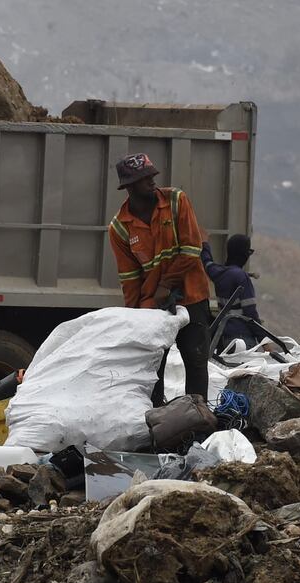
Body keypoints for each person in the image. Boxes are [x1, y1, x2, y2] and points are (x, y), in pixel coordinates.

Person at [108, 153, 210, 406]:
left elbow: (191, 249)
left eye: (152, 176)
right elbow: (130, 278)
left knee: (195, 361)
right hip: (151, 307)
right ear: (129, 187)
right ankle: (156, 421)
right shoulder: (120, 227)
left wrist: (165, 284)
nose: (152, 182)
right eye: (144, 179)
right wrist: (133, 317)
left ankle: (197, 423)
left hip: (191, 295)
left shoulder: (176, 201)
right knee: (152, 369)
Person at [201, 234, 263, 350]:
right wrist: (265, 342)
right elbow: (251, 315)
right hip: (243, 340)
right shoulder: (241, 277)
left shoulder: (217, 273)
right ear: (244, 254)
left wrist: (204, 244)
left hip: (224, 338)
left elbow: (207, 262)